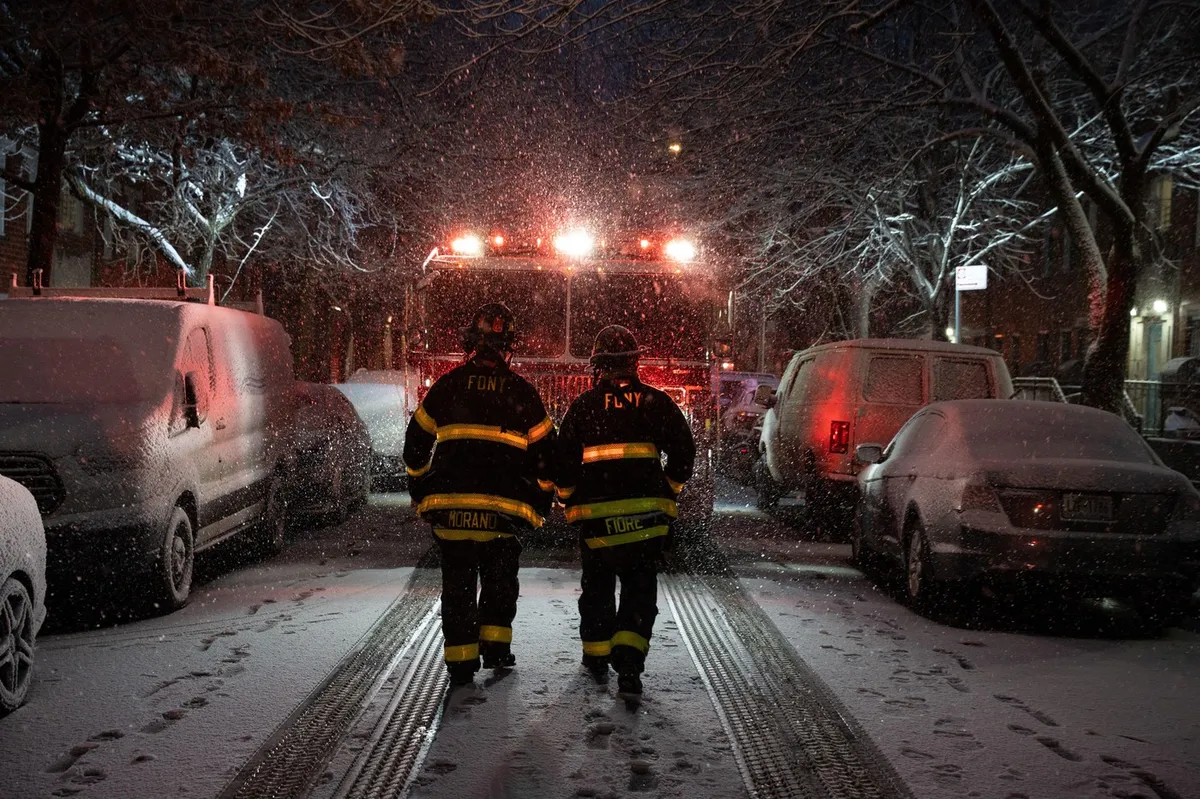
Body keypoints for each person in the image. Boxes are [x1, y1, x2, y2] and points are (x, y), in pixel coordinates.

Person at [403, 302, 556, 687]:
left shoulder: (447, 386)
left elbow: (415, 445)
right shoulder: (523, 393)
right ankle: (497, 651)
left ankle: (460, 664)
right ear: (508, 347)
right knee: (500, 581)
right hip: (503, 515)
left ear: (471, 344)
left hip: (451, 512)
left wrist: (420, 487)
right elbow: (547, 456)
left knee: (457, 585)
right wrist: (541, 497)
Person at [555, 324, 696, 696]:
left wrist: (567, 495)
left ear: (598, 366)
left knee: (597, 587)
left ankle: (597, 657)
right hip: (647, 522)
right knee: (639, 589)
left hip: (598, 523)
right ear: (634, 363)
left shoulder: (584, 407)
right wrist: (670, 488)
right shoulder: (656, 402)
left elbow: (564, 461)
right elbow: (684, 449)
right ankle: (630, 662)